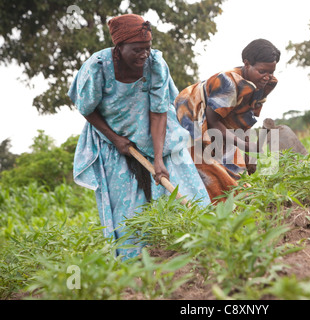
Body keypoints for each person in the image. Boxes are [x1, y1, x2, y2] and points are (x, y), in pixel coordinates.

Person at [68, 14, 210, 260]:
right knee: (129, 209)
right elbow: (86, 108)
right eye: (137, 49)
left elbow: (158, 112)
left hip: (157, 136)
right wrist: (115, 139)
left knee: (184, 189)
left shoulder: (155, 64)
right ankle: (134, 264)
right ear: (119, 47)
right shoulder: (97, 67)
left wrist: (158, 159)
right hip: (115, 143)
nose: (144, 54)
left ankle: (200, 246)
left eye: (148, 48)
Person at [175, 39, 281, 203]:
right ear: (247, 64)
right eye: (262, 71)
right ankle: (213, 209)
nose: (267, 77)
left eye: (271, 72)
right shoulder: (229, 83)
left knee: (237, 169)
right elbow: (213, 122)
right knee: (209, 165)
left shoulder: (264, 85)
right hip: (193, 114)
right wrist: (246, 146)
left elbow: (244, 121)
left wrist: (248, 156)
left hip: (222, 122)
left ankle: (235, 207)